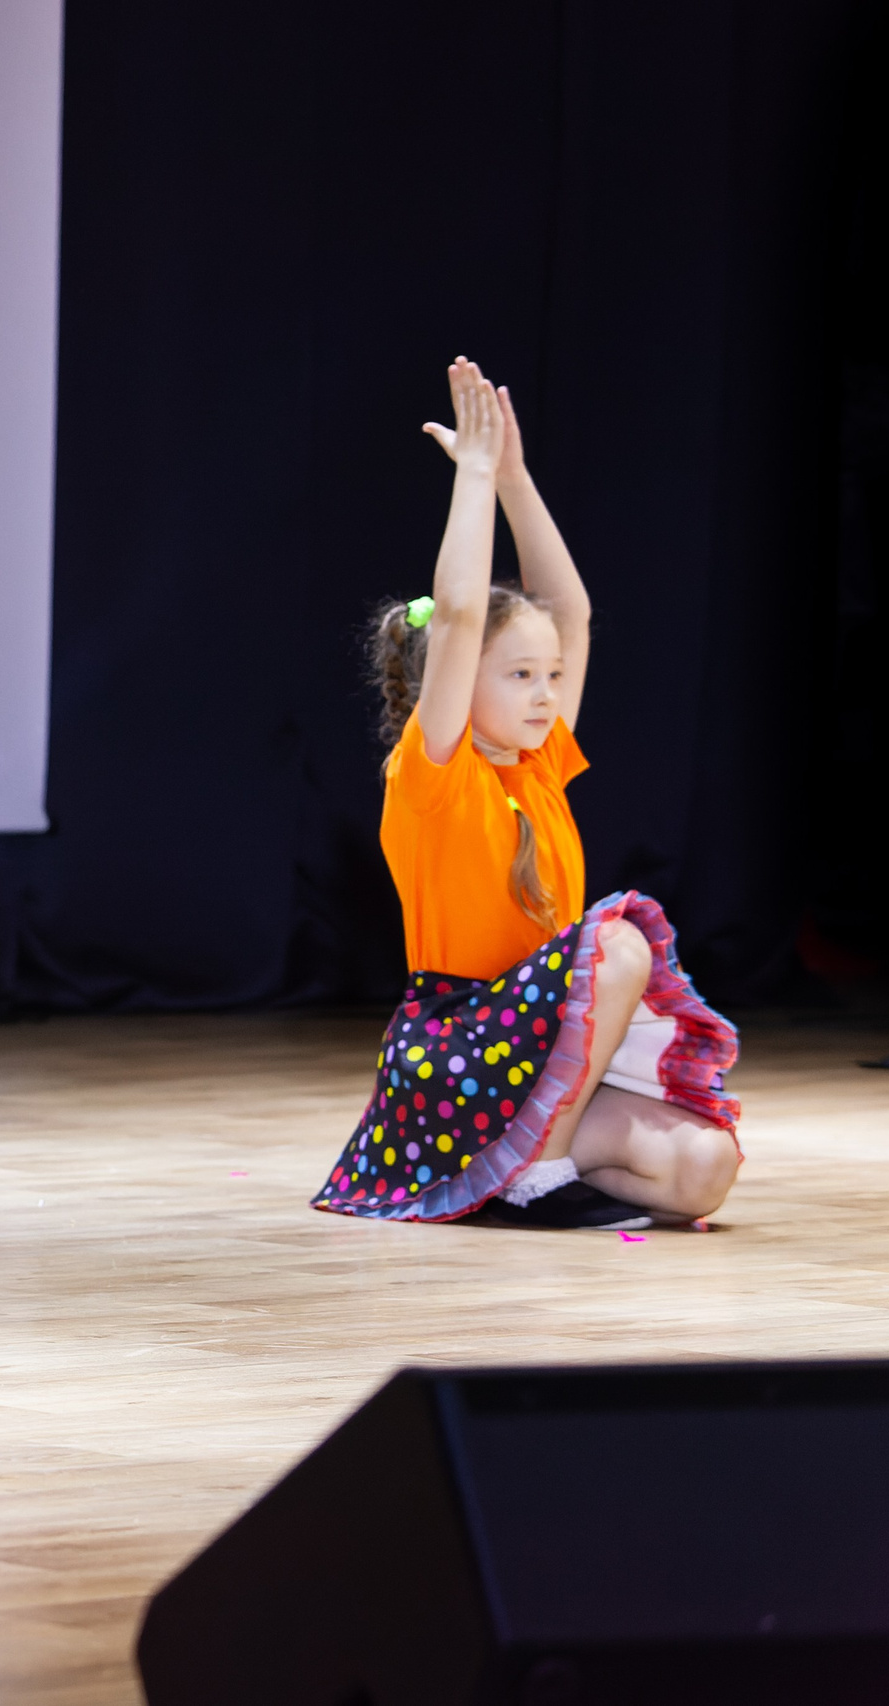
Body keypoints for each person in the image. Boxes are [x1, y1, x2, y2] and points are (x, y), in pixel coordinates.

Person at [310, 359, 741, 1232]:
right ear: (458, 680)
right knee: (618, 946)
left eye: (552, 676)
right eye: (521, 675)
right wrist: (470, 481)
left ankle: (509, 1172)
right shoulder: (432, 772)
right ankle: (532, 1172)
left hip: (534, 1057)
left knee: (704, 1167)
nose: (548, 693)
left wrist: (514, 479)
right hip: (461, 1049)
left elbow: (570, 609)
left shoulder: (536, 764)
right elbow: (464, 614)